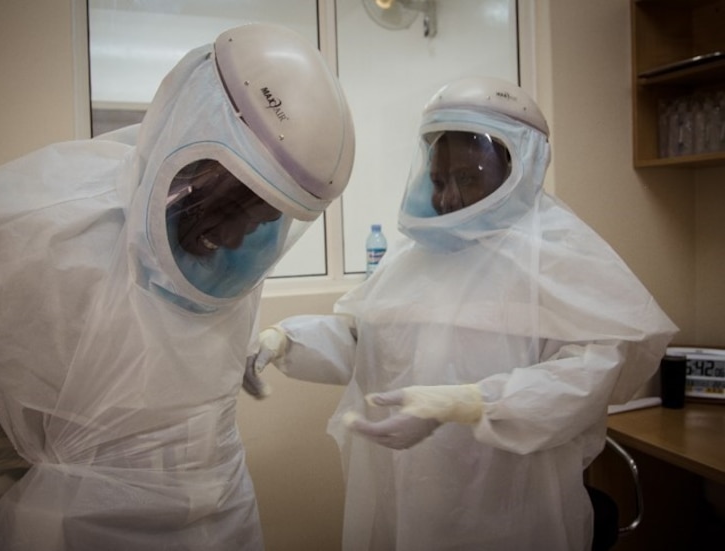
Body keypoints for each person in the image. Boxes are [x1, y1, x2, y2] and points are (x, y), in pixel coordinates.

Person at [0, 23, 354, 550]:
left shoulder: (231, 254)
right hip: (76, 528)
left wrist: (237, 362)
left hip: (223, 513)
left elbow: (178, 345)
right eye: (229, 208)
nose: (233, 237)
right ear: (189, 150)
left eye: (260, 222)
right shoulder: (45, 232)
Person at [245, 76, 678, 550]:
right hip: (406, 498)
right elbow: (364, 343)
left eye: (467, 178)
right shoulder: (416, 257)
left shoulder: (557, 256)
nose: (448, 197)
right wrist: (285, 339)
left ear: (519, 167)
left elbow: (588, 378)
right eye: (439, 179)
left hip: (510, 505)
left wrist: (473, 402)